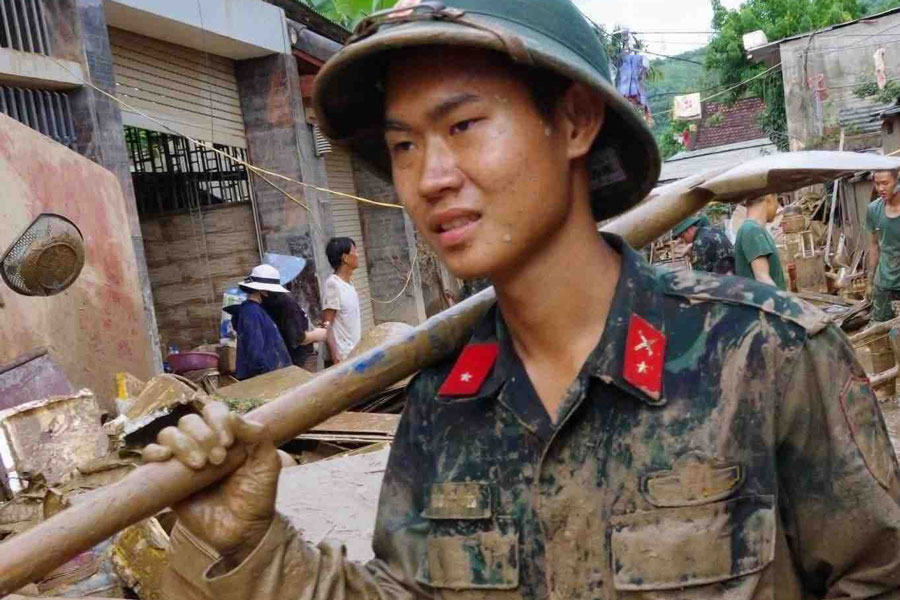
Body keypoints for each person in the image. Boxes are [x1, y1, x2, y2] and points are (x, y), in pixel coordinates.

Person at [146, 1, 900, 598]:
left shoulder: (764, 356)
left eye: (465, 125)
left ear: (573, 120)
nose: (430, 176)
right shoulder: (443, 403)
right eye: (405, 144)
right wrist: (246, 546)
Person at [228, 264, 292, 380]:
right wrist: (268, 376)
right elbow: (255, 353)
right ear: (263, 291)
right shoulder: (251, 312)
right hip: (265, 382)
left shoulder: (257, 311)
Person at [262, 287, 327, 370]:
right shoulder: (286, 303)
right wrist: (316, 334)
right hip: (299, 359)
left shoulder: (263, 304)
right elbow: (297, 339)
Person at [322, 237, 362, 364]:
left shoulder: (349, 284)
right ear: (345, 258)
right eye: (354, 251)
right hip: (344, 358)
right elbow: (326, 324)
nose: (357, 254)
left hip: (356, 353)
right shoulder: (333, 284)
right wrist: (335, 356)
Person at [734, 194, 786, 289]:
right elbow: (763, 279)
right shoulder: (752, 230)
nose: (777, 206)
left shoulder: (755, 229)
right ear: (769, 198)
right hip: (764, 303)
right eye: (776, 200)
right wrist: (785, 302)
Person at [867, 169, 900, 322]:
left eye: (885, 183)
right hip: (884, 283)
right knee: (879, 331)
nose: (880, 188)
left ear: (896, 181)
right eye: (877, 184)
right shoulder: (873, 209)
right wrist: (870, 281)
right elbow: (874, 246)